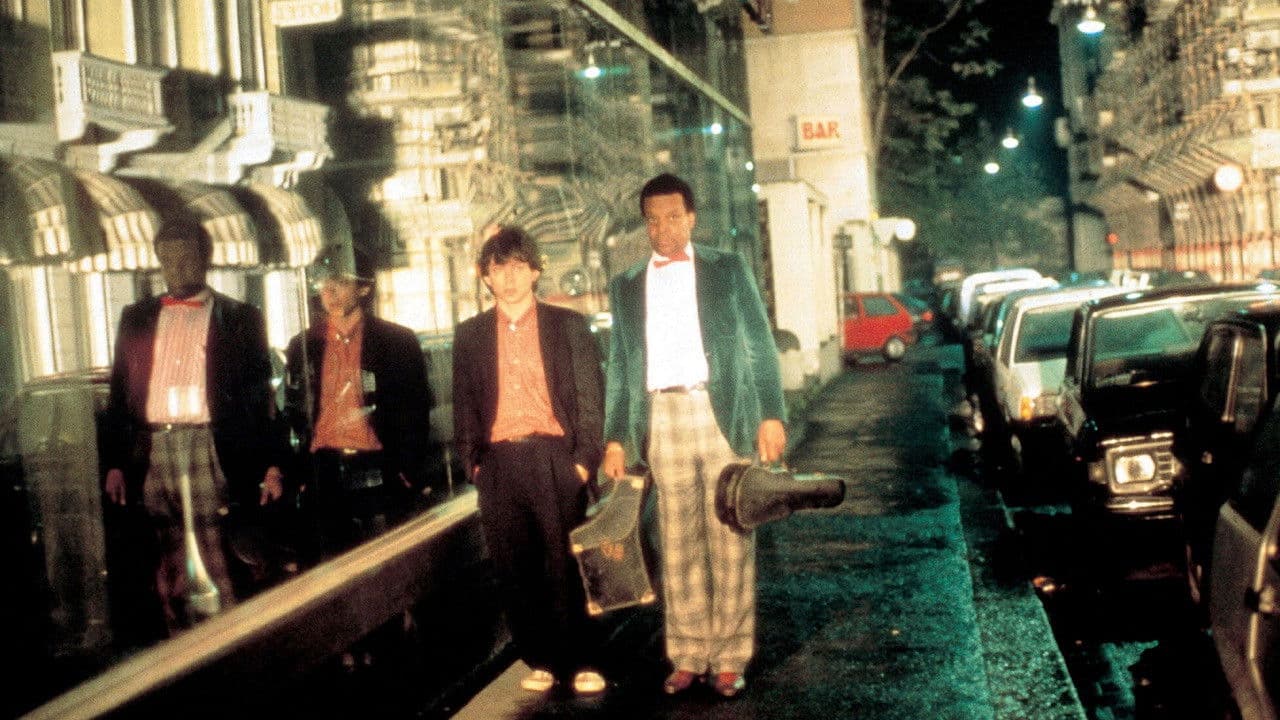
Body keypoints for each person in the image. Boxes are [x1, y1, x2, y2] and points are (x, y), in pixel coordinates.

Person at [601, 173, 786, 698]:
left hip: (722, 413)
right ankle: (687, 655)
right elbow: (621, 365)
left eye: (673, 217)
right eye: (652, 220)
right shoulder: (626, 285)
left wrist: (771, 414)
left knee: (730, 533)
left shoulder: (727, 268)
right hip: (661, 417)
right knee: (676, 540)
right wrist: (616, 437)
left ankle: (729, 659)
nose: (663, 229)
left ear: (692, 218)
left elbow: (758, 344)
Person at [102, 216, 286, 635]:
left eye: (185, 258)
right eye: (167, 260)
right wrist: (115, 462)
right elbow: (119, 392)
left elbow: (261, 398)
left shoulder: (240, 318)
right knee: (167, 559)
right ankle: (181, 647)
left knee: (217, 553)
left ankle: (231, 641)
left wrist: (272, 463)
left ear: (205, 259)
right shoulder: (136, 317)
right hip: (153, 447)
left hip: (210, 444)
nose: (176, 269)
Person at [452, 226, 606, 696]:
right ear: (486, 276)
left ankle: (581, 658)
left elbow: (590, 399)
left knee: (565, 562)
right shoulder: (470, 335)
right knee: (514, 566)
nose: (509, 277)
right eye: (498, 268)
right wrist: (475, 465)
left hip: (554, 457)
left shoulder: (567, 325)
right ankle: (539, 657)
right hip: (499, 463)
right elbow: (465, 406)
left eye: (519, 267)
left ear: (536, 271)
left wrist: (582, 463)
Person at [283, 249, 432, 561]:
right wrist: (298, 474)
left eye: (340, 282)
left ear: (364, 287)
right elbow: (294, 411)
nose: (329, 292)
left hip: (379, 467)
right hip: (324, 471)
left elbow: (416, 408)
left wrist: (407, 469)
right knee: (330, 569)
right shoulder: (302, 346)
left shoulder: (397, 342)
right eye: (323, 283)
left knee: (388, 565)